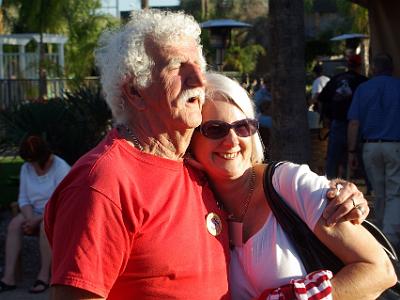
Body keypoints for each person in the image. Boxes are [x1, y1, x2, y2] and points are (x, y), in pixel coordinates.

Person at [45, 10, 370, 299]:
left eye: (198, 66)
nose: (198, 80)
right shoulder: (103, 183)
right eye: (177, 67)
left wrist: (338, 191)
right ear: (134, 92)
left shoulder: (193, 166)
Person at [189, 73, 396, 300]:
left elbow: (380, 270)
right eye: (215, 129)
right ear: (191, 138)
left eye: (243, 127)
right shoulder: (193, 201)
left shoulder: (289, 183)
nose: (231, 141)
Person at [0, 135, 70, 293]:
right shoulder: (26, 168)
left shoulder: (61, 168)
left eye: (32, 160)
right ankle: (8, 278)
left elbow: (62, 203)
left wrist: (38, 220)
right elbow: (23, 199)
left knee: (46, 227)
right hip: (34, 213)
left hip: (56, 213)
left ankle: (44, 276)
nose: (30, 164)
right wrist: (30, 218)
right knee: (14, 225)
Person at [348, 53, 400, 248]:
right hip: (395, 145)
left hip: (370, 145)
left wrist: (351, 151)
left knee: (379, 191)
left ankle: (380, 232)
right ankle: (390, 236)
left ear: (373, 69)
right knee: (394, 191)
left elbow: (354, 123)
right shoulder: (398, 86)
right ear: (392, 68)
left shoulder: (363, 89)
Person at [318, 54, 368, 179]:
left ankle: (329, 183)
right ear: (359, 66)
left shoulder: (335, 79)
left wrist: (326, 118)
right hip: (358, 124)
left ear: (348, 65)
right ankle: (369, 187)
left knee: (333, 158)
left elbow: (321, 99)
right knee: (360, 156)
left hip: (337, 122)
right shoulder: (363, 81)